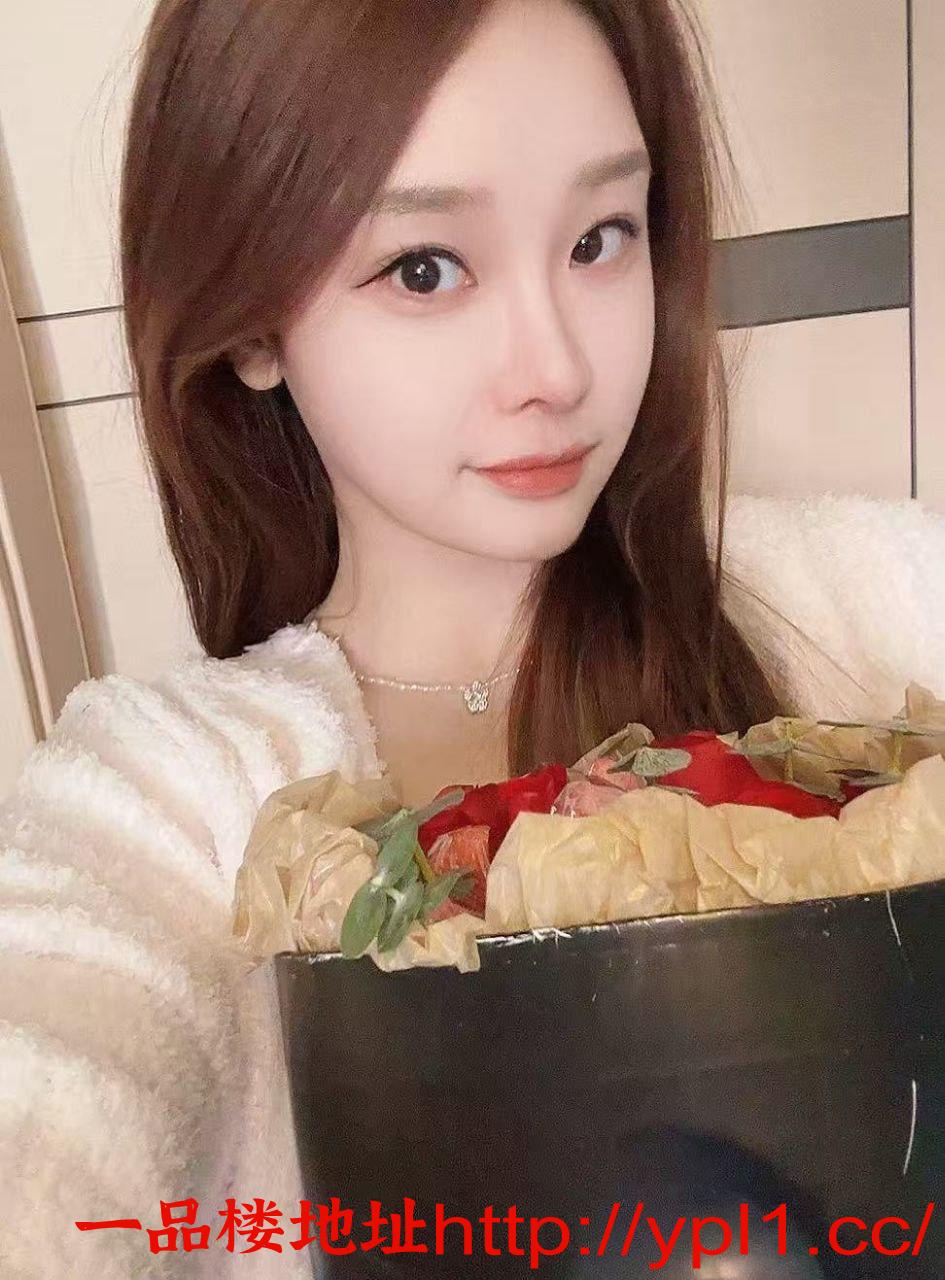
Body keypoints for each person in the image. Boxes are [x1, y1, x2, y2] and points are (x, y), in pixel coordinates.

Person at [1, 0, 943, 1275]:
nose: (555, 366)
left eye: (599, 238)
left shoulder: (859, 605)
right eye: (425, 269)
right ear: (254, 323)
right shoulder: (173, 790)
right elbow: (55, 1071)